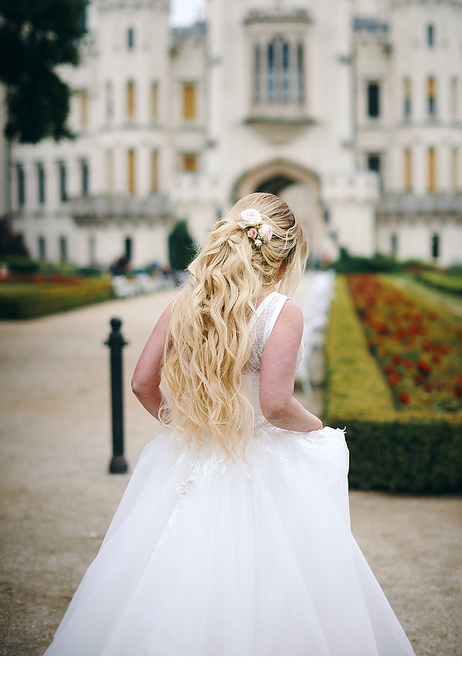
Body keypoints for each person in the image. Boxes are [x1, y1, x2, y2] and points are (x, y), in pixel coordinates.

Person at [45, 193, 414, 656]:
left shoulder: (186, 303)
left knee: (164, 574)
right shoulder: (281, 312)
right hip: (258, 462)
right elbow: (277, 405)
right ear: (282, 255)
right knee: (280, 586)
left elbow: (142, 383)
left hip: (190, 454)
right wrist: (317, 426)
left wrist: (188, 424)